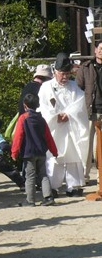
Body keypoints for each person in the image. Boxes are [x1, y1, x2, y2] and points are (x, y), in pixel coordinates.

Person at [38, 53, 89, 197]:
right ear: (55, 72)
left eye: (67, 73)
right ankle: (53, 187)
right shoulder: (46, 87)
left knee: (74, 156)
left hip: (71, 126)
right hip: (54, 126)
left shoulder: (74, 86)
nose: (65, 77)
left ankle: (74, 186)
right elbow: (42, 107)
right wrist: (55, 116)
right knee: (54, 157)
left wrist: (69, 114)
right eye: (62, 73)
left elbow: (80, 103)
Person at [11, 94, 58, 206]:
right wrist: (54, 151)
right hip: (41, 151)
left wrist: (14, 152)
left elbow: (19, 136)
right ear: (37, 105)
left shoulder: (23, 118)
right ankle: (48, 197)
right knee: (43, 175)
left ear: (25, 105)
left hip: (29, 152)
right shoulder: (41, 119)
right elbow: (48, 137)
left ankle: (30, 200)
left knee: (30, 176)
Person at [76, 42, 102, 182]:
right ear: (96, 50)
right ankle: (84, 175)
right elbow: (78, 88)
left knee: (100, 146)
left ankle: (100, 175)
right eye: (100, 49)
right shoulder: (86, 67)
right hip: (89, 110)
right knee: (87, 144)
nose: (101, 52)